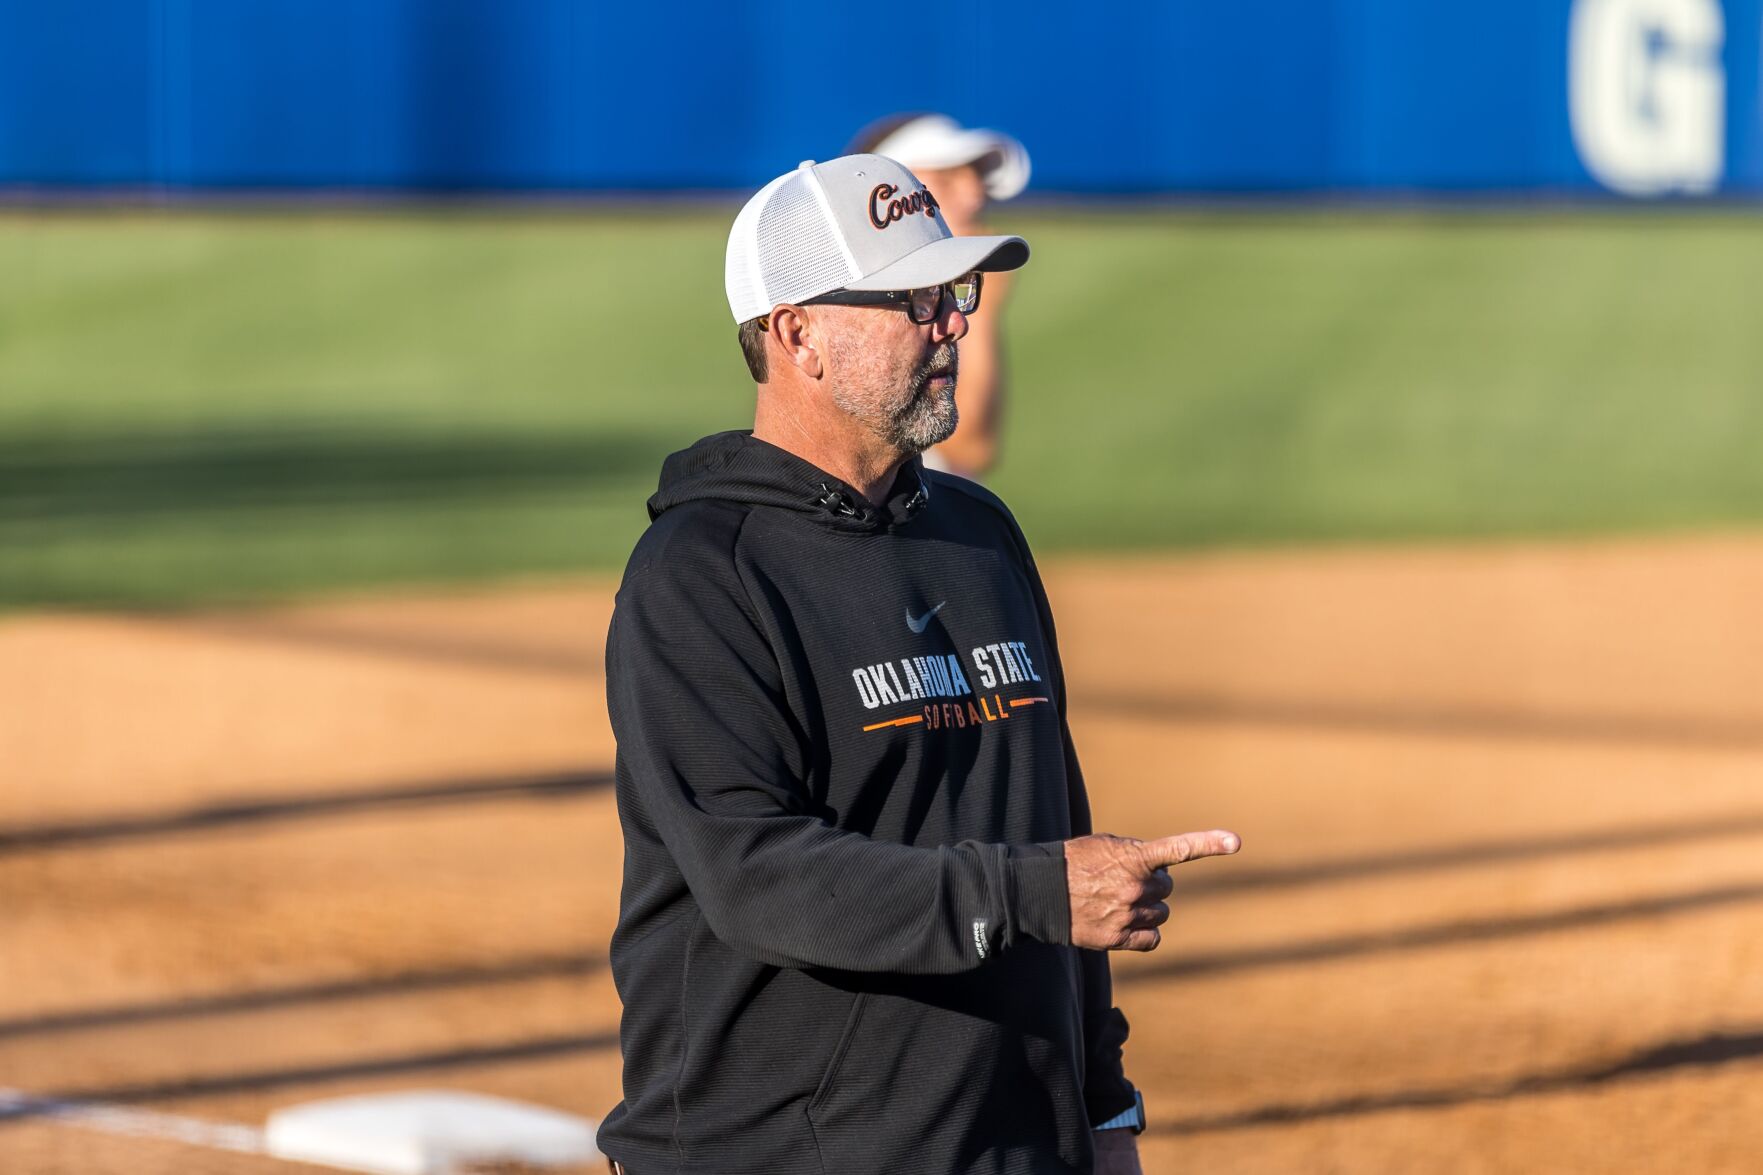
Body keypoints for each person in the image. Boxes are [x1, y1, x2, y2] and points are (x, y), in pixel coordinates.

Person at [597, 155, 1241, 1175]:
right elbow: (754, 876)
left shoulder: (978, 533)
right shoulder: (699, 576)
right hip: (779, 1150)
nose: (953, 323)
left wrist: (1105, 1111)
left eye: (956, 291)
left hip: (1010, 1144)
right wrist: (1031, 891)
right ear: (795, 330)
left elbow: (1049, 822)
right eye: (913, 299)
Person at [846, 113, 1031, 480]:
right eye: (944, 180)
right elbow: (971, 446)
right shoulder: (866, 308)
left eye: (976, 183)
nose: (974, 198)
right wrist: (980, 308)